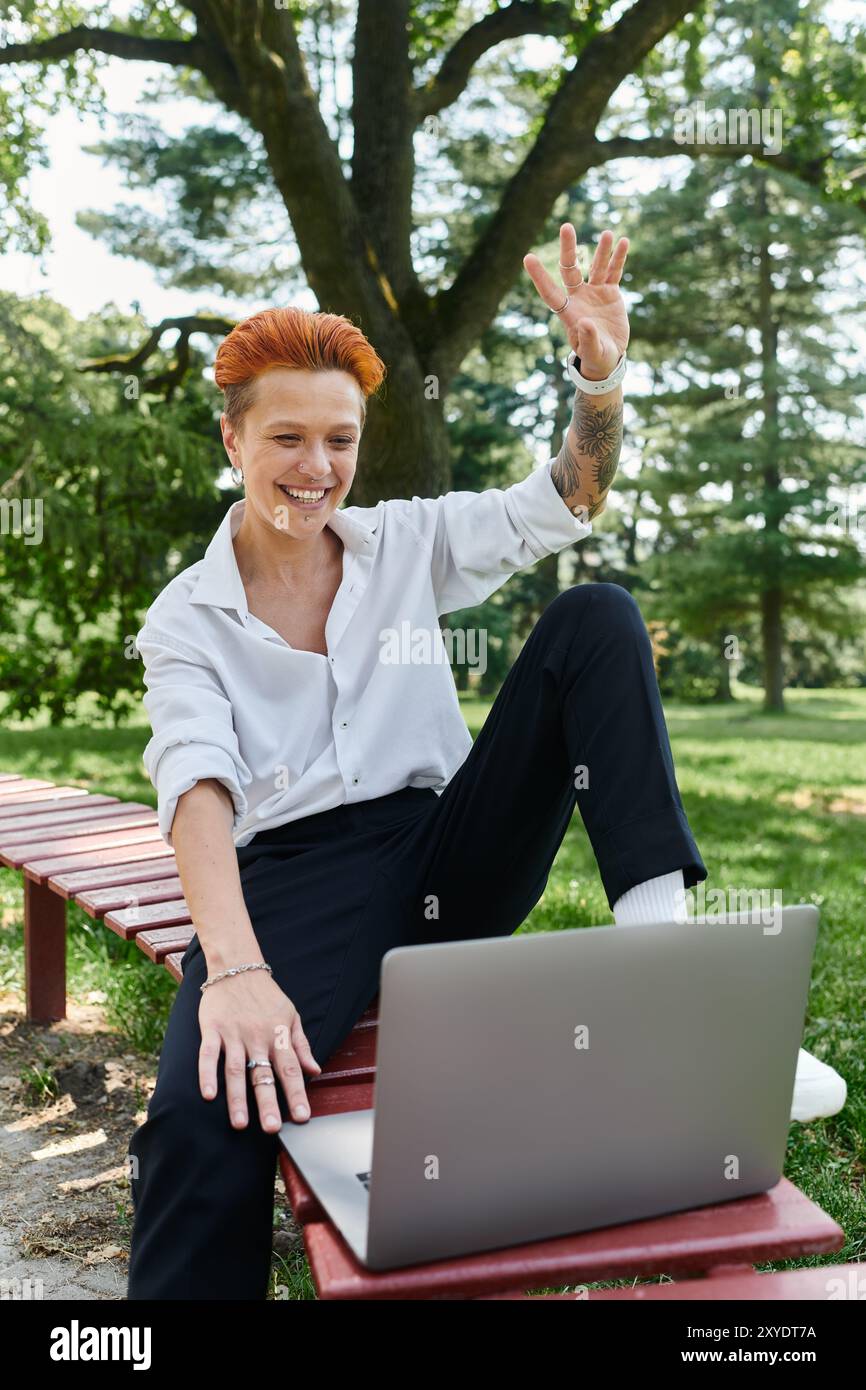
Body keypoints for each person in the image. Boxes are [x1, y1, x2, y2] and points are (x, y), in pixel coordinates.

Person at [126, 226, 841, 1300]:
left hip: (441, 849)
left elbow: (569, 498)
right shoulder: (187, 615)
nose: (317, 469)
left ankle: (667, 975)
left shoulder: (404, 543)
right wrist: (231, 969)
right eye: (286, 438)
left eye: (339, 439)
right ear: (231, 439)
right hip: (290, 881)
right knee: (202, 1115)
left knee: (594, 617)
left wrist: (598, 377)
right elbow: (196, 783)